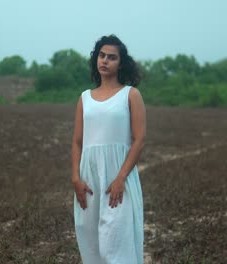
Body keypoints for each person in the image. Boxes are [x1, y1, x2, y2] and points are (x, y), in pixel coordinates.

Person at [71, 34, 146, 264]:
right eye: (101, 56)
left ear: (121, 63)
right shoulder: (85, 98)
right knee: (90, 241)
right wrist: (75, 178)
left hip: (118, 178)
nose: (105, 61)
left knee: (116, 243)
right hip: (89, 180)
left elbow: (140, 139)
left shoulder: (130, 95)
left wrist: (120, 178)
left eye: (111, 57)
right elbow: (77, 142)